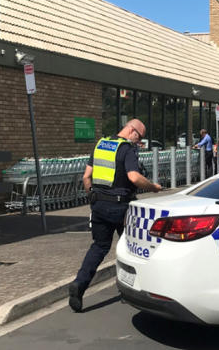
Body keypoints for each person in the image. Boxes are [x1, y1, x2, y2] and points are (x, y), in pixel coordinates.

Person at [69, 118, 161, 312]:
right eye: (140, 137)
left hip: (99, 205)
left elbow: (87, 177)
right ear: (132, 131)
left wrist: (93, 197)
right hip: (121, 208)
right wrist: (153, 187)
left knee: (99, 247)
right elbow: (134, 177)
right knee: (131, 247)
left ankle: (79, 284)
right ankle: (132, 290)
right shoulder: (127, 149)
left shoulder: (101, 145)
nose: (139, 142)